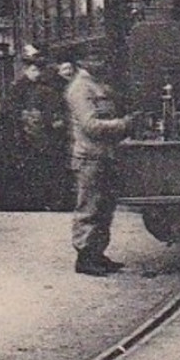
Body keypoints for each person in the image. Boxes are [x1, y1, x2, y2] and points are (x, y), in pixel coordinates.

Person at [65, 45, 136, 275]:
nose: (101, 62)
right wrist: (125, 124)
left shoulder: (97, 85)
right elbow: (91, 126)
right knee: (89, 208)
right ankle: (85, 257)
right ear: (82, 62)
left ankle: (98, 253)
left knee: (105, 208)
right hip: (90, 157)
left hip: (105, 156)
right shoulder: (80, 89)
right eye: (94, 58)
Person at [0, 44, 71, 212]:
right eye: (34, 69)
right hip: (19, 133)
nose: (37, 73)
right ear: (27, 69)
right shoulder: (21, 87)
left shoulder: (33, 86)